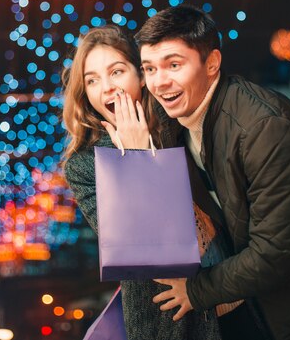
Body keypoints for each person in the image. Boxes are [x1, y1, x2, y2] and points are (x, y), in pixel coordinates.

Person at [134, 5, 290, 340]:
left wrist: (195, 291)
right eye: (149, 68)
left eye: (173, 64)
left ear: (211, 64)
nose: (159, 82)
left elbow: (276, 253)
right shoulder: (176, 119)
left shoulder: (263, 129)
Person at [62, 25, 250, 340]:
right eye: (92, 80)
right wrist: (137, 158)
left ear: (140, 75)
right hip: (170, 317)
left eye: (117, 72)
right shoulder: (84, 165)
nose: (106, 88)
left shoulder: (179, 122)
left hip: (240, 289)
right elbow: (137, 249)